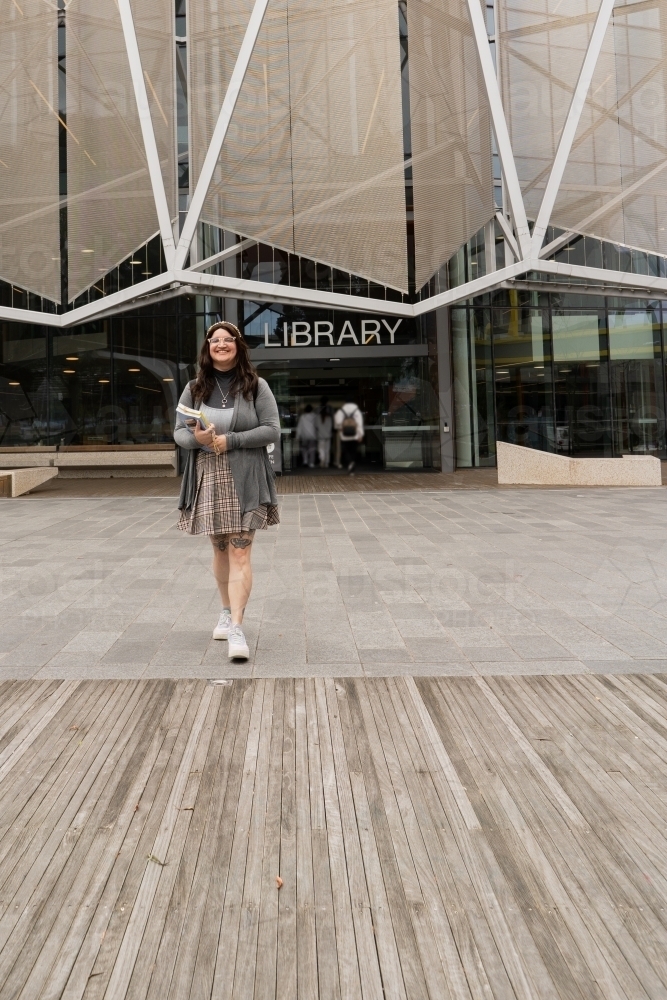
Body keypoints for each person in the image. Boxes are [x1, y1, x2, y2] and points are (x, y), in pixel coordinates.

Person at [174, 321, 280, 661]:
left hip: (246, 475)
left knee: (239, 552)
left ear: (238, 345)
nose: (221, 344)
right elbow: (178, 432)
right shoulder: (194, 388)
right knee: (220, 550)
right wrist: (198, 440)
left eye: (227, 339)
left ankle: (237, 626)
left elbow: (272, 430)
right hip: (207, 474)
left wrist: (229, 440)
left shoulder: (255, 385)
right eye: (214, 340)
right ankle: (224, 609)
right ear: (207, 349)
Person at [334, 395, 364, 472]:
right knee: (353, 450)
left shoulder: (341, 410)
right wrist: (360, 434)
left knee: (346, 450)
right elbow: (359, 423)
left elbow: (337, 421)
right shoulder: (356, 410)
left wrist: (340, 427)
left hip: (344, 435)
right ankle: (352, 462)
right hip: (355, 434)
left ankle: (350, 462)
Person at [296, 403, 317, 467]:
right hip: (313, 435)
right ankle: (311, 463)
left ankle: (305, 461)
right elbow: (317, 426)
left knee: (304, 449)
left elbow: (299, 427)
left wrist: (297, 436)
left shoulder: (302, 417)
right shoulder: (315, 416)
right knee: (312, 449)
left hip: (304, 435)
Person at [317, 397, 333, 468]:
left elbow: (316, 426)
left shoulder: (318, 417)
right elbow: (330, 427)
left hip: (320, 435)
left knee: (321, 450)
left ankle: (322, 461)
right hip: (327, 436)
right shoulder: (329, 418)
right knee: (327, 450)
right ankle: (327, 462)